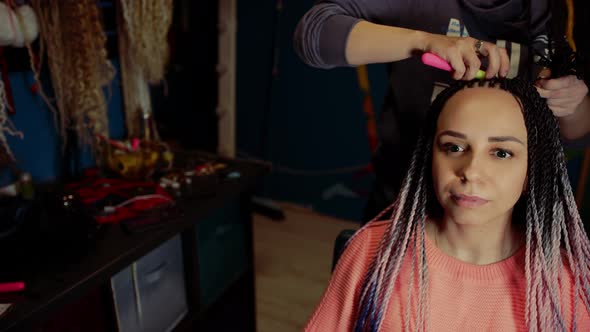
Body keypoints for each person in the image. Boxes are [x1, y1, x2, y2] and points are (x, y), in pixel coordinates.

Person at [303, 77, 590, 331]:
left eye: (501, 153)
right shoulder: (371, 250)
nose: (471, 171)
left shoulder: (561, 284)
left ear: (532, 171)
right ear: (431, 158)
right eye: (453, 147)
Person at [293, 0, 589, 223]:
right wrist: (422, 42)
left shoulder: (563, 10)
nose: (471, 170)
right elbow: (314, 33)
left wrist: (570, 103)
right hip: (405, 199)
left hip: (513, 220)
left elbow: (575, 134)